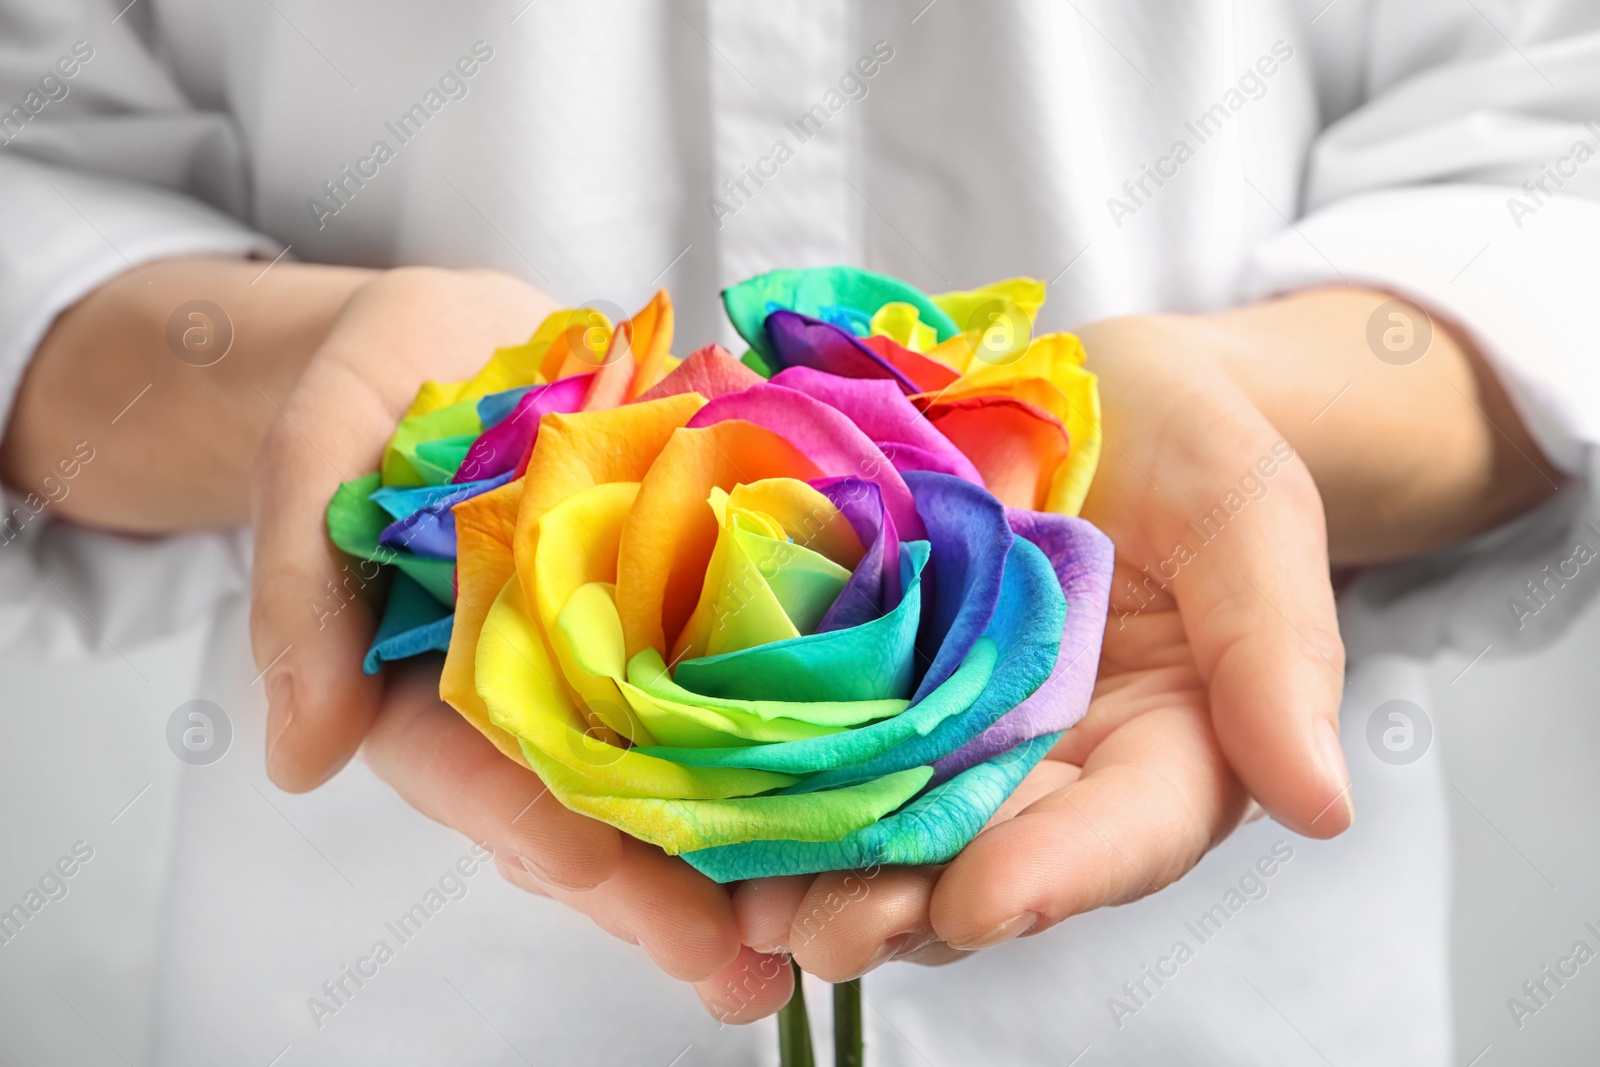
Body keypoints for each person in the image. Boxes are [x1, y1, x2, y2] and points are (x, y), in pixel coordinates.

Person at [0, 2, 1595, 1063]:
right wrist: (308, 377)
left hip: (1214, 988)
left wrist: (1251, 412)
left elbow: (1551, 150)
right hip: (395, 977)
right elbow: (35, 168)